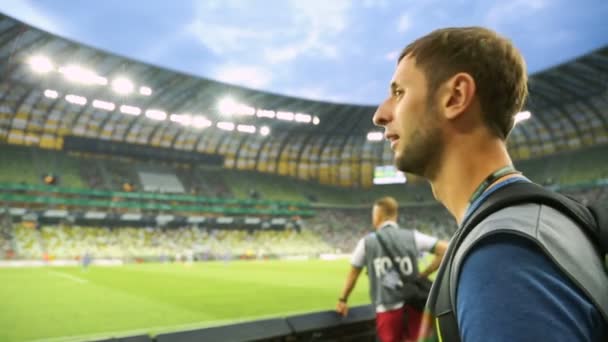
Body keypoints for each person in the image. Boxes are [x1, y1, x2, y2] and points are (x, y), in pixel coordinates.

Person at [372, 27, 608, 341]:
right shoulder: (534, 223)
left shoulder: (502, 259)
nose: (380, 114)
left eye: (399, 92)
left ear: (455, 97)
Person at [336, 196, 448, 342]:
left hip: (387, 309)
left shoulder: (367, 242)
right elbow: (445, 250)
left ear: (378, 215)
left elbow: (353, 275)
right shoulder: (412, 237)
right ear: (395, 215)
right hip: (414, 305)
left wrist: (342, 299)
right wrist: (424, 274)